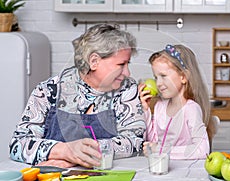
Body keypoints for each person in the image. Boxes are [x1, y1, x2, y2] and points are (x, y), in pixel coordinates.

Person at [9, 24, 146, 168]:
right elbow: (18, 144)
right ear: (94, 61)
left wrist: (81, 153)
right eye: (121, 64)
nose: (127, 73)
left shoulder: (126, 89)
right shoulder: (49, 90)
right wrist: (65, 151)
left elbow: (135, 141)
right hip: (55, 180)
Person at [139, 44, 213, 160]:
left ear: (183, 77)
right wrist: (145, 110)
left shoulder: (191, 109)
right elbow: (153, 142)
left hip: (185, 172)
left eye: (163, 76)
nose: (158, 83)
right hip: (162, 168)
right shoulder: (160, 106)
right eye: (156, 77)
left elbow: (202, 150)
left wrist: (160, 150)